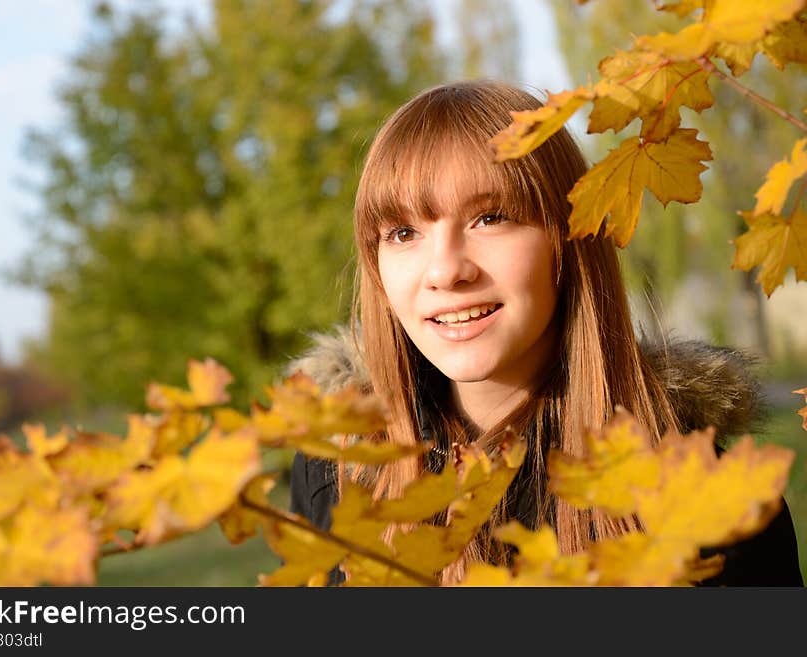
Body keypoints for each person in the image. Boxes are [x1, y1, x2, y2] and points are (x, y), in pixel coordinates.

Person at [286, 79, 803, 587]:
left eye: (490, 218)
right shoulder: (335, 468)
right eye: (404, 233)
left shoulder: (717, 501)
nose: (444, 271)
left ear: (567, 240)